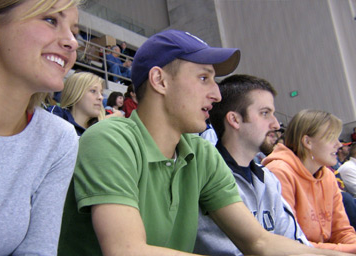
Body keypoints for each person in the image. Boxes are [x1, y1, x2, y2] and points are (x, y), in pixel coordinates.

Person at [58, 29, 350, 256]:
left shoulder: (200, 153)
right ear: (160, 81)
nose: (217, 95)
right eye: (203, 78)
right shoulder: (111, 139)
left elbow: (258, 242)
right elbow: (127, 251)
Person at [0, 0, 81, 255]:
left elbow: (38, 250)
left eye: (75, 31)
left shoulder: (59, 139)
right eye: (51, 20)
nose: (72, 42)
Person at [194, 74, 311, 256]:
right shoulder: (204, 177)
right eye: (265, 113)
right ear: (235, 120)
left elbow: (296, 243)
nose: (275, 125)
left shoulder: (268, 178)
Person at [262, 109, 356, 253]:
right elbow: (290, 243)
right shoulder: (279, 172)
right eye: (332, 138)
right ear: (307, 142)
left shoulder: (327, 176)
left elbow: (342, 231)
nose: (339, 145)